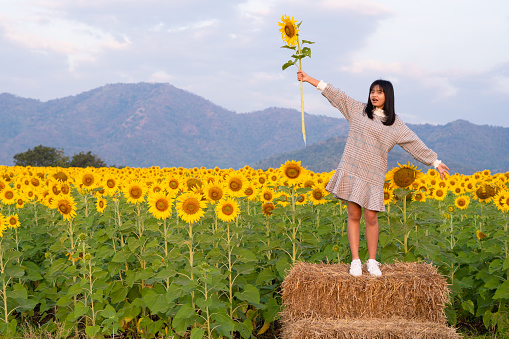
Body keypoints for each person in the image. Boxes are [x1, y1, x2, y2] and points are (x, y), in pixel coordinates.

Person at [297, 70, 449, 277]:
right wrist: (308, 79)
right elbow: (335, 94)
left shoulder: (395, 123)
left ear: (388, 95)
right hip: (352, 168)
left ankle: (371, 261)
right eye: (371, 92)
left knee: (370, 217)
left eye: (379, 92)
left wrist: (435, 161)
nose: (374, 95)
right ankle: (355, 261)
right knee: (354, 215)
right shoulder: (357, 110)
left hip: (374, 174)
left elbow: (414, 143)